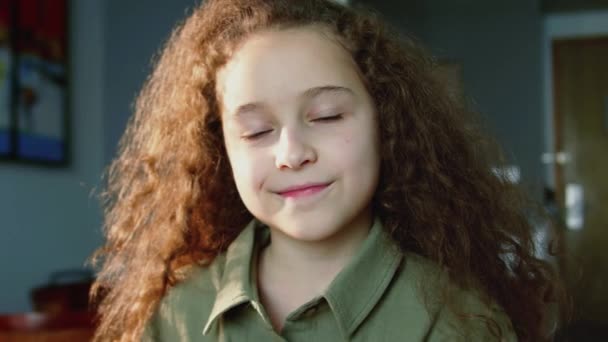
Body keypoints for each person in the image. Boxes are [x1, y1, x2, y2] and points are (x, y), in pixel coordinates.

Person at [89, 0, 564, 341]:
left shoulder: (458, 321)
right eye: (256, 131)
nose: (291, 153)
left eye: (327, 117)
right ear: (221, 151)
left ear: (387, 123)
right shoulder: (176, 317)